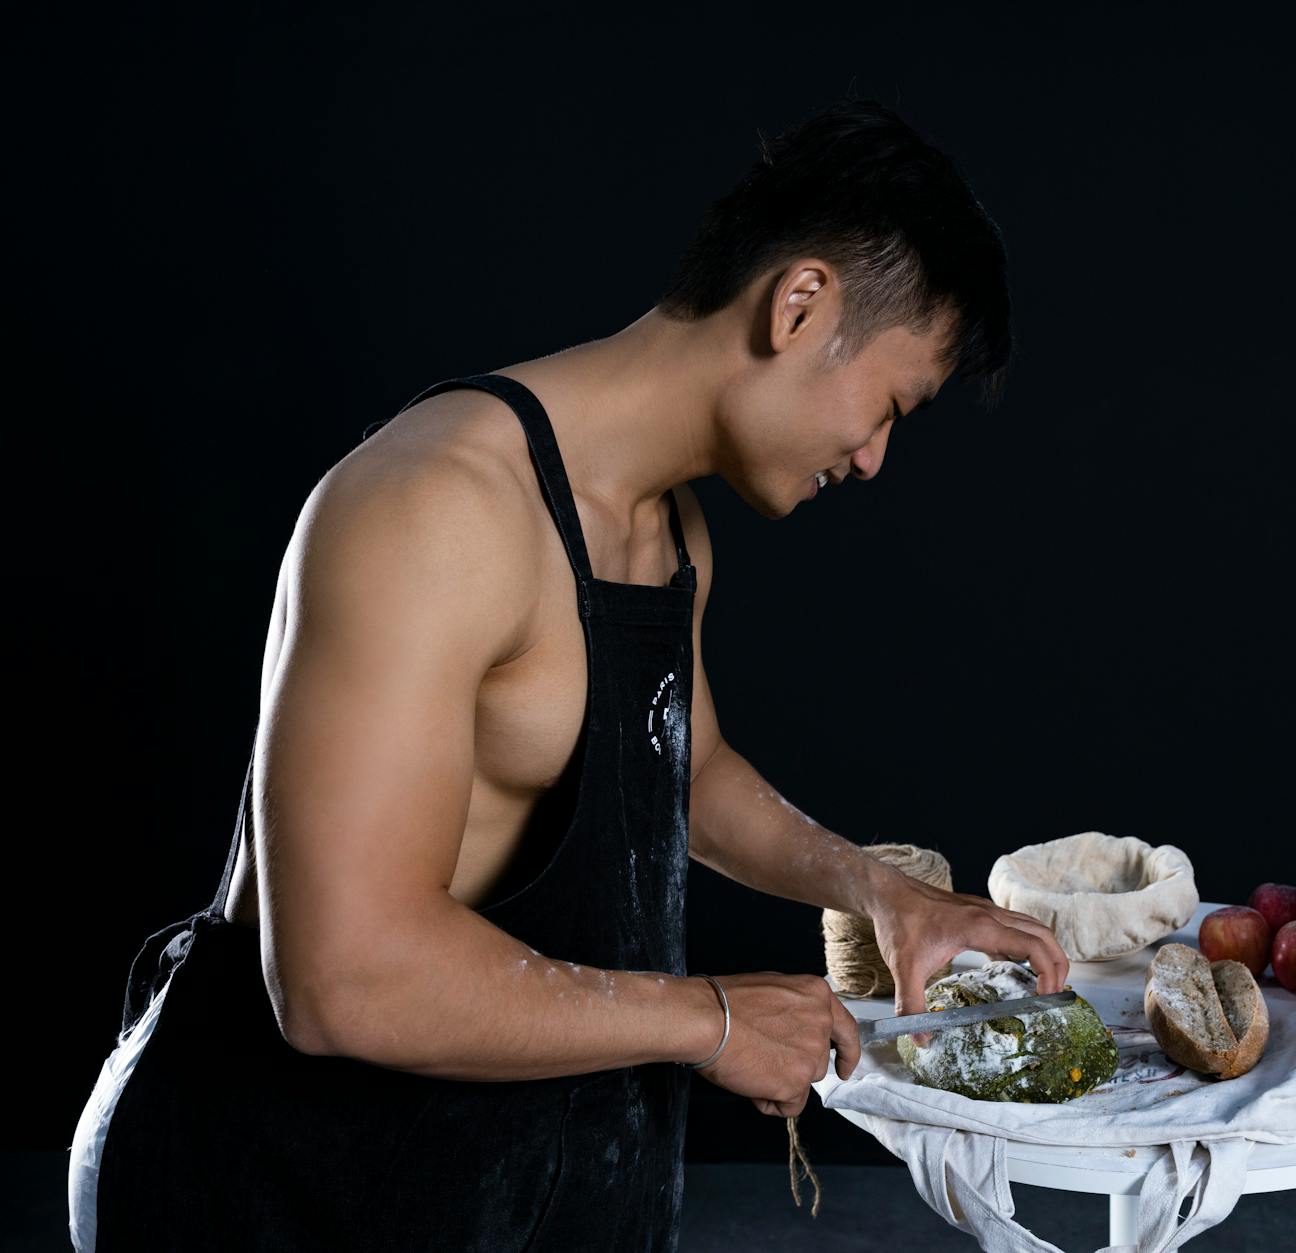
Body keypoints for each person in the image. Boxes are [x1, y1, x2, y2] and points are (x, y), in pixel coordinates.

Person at [68, 96, 1065, 1252]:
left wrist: (884, 895)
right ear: (800, 306)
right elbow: (341, 977)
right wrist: (708, 1017)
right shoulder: (432, 508)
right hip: (276, 1199)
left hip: (499, 1199)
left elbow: (681, 768)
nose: (874, 457)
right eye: (889, 406)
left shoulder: (671, 529)